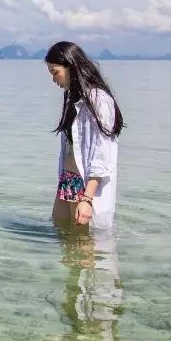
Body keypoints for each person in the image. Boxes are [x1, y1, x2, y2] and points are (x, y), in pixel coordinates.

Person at [45, 41, 123, 230]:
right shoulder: (74, 99)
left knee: (83, 247)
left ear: (71, 65)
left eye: (55, 72)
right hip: (69, 181)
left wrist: (87, 199)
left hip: (86, 186)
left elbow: (101, 154)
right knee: (63, 237)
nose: (54, 79)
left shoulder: (99, 100)